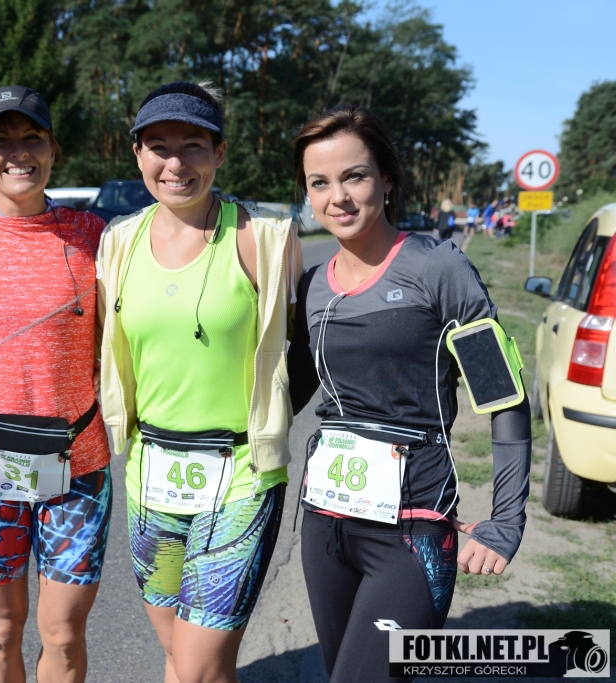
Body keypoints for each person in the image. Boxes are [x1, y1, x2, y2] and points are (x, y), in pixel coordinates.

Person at [286, 105, 531, 683]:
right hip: (325, 525)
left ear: (387, 179)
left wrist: (506, 521)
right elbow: (288, 392)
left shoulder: (438, 268)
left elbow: (503, 396)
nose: (337, 197)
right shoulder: (312, 284)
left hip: (412, 529)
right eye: (319, 183)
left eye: (354, 176)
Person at [97, 82, 302, 683]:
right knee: (178, 655)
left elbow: (308, 348)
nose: (176, 163)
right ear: (138, 154)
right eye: (159, 146)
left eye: (193, 145)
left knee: (198, 666)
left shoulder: (265, 240)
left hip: (240, 477)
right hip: (150, 474)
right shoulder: (118, 242)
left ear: (220, 152)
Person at [0, 86, 111, 683]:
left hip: (78, 464)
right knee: (2, 629)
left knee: (63, 634)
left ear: (53, 149)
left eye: (32, 137)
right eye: (0, 140)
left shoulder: (96, 236)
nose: (18, 153)